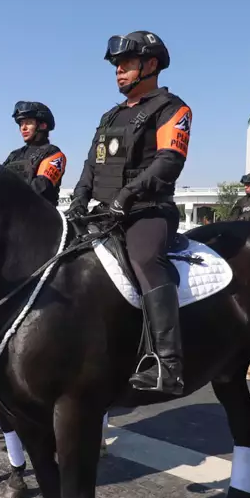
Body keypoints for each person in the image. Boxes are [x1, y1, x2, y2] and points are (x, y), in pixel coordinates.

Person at [67, 30, 192, 396]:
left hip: (148, 212)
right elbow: (92, 165)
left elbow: (169, 162)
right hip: (105, 212)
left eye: (126, 65)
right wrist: (78, 199)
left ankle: (168, 365)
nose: (119, 72)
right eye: (116, 67)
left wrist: (127, 196)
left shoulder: (173, 108)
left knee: (145, 260)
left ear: (150, 65)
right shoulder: (110, 116)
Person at [2, 101, 66, 205]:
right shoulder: (14, 155)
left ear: (43, 125)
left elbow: (41, 187)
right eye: (21, 124)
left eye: (28, 123)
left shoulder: (53, 153)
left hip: (40, 218)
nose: (23, 128)